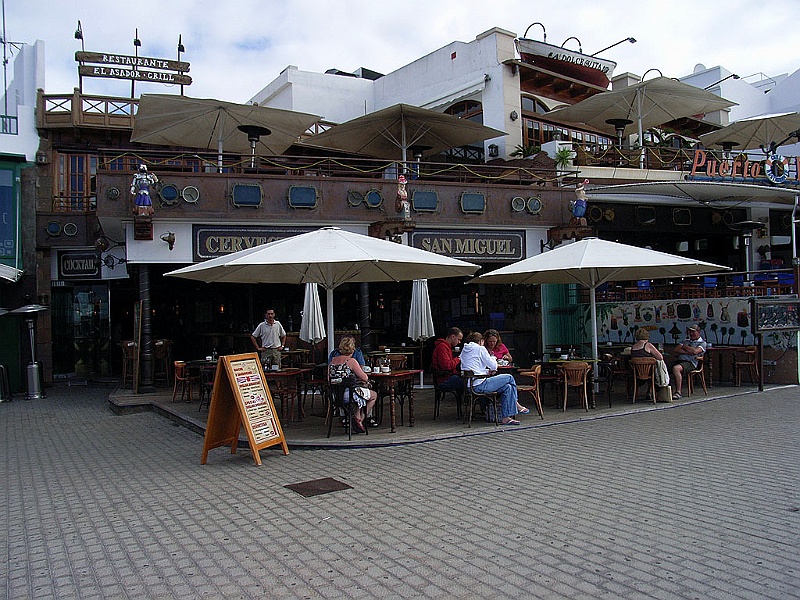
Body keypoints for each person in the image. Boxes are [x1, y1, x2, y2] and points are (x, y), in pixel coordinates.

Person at [458, 331, 528, 425]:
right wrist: (493, 358)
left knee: (508, 387)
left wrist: (486, 371)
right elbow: (493, 366)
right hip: (480, 385)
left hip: (470, 385)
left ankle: (506, 418)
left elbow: (474, 368)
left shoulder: (465, 350)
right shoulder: (480, 348)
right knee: (510, 378)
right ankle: (516, 405)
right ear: (481, 341)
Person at [328, 336, 377, 434]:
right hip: (349, 395)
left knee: (360, 393)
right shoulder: (351, 361)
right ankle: (359, 419)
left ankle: (356, 418)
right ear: (352, 349)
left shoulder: (332, 361)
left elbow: (329, 379)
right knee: (373, 395)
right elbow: (365, 378)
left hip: (335, 396)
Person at [671, 325, 707, 400]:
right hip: (680, 360)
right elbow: (676, 349)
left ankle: (678, 392)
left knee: (676, 368)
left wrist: (685, 347)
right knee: (662, 366)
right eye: (690, 332)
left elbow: (695, 351)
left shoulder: (702, 343)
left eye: (693, 332)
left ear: (698, 332)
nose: (691, 334)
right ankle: (658, 391)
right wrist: (688, 351)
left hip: (690, 363)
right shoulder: (686, 341)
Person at [431, 327, 464, 401]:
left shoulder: (445, 347)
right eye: (459, 339)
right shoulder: (442, 347)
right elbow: (447, 366)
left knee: (467, 381)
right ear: (452, 337)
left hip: (445, 377)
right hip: (443, 380)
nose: (459, 342)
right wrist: (458, 359)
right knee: (468, 383)